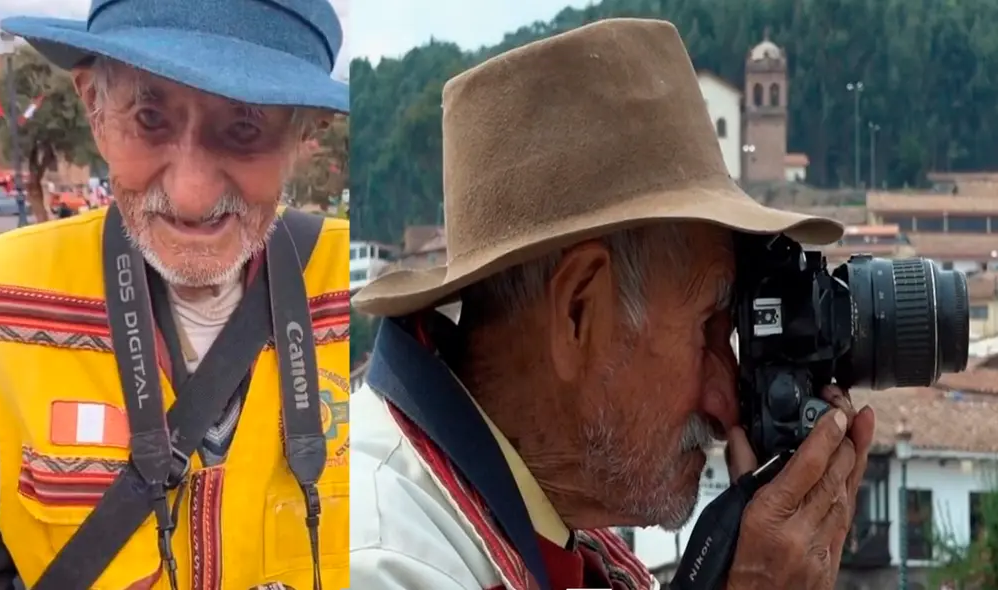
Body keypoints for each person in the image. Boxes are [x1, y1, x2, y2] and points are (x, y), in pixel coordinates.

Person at [350, 18, 876, 590]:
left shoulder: (547, 530)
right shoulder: (381, 561)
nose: (727, 406)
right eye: (707, 328)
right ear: (579, 313)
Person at [0, 0, 350, 589]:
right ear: (93, 107)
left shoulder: (352, 293)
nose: (190, 196)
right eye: (149, 118)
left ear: (303, 133)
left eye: (244, 127)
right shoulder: (8, 297)